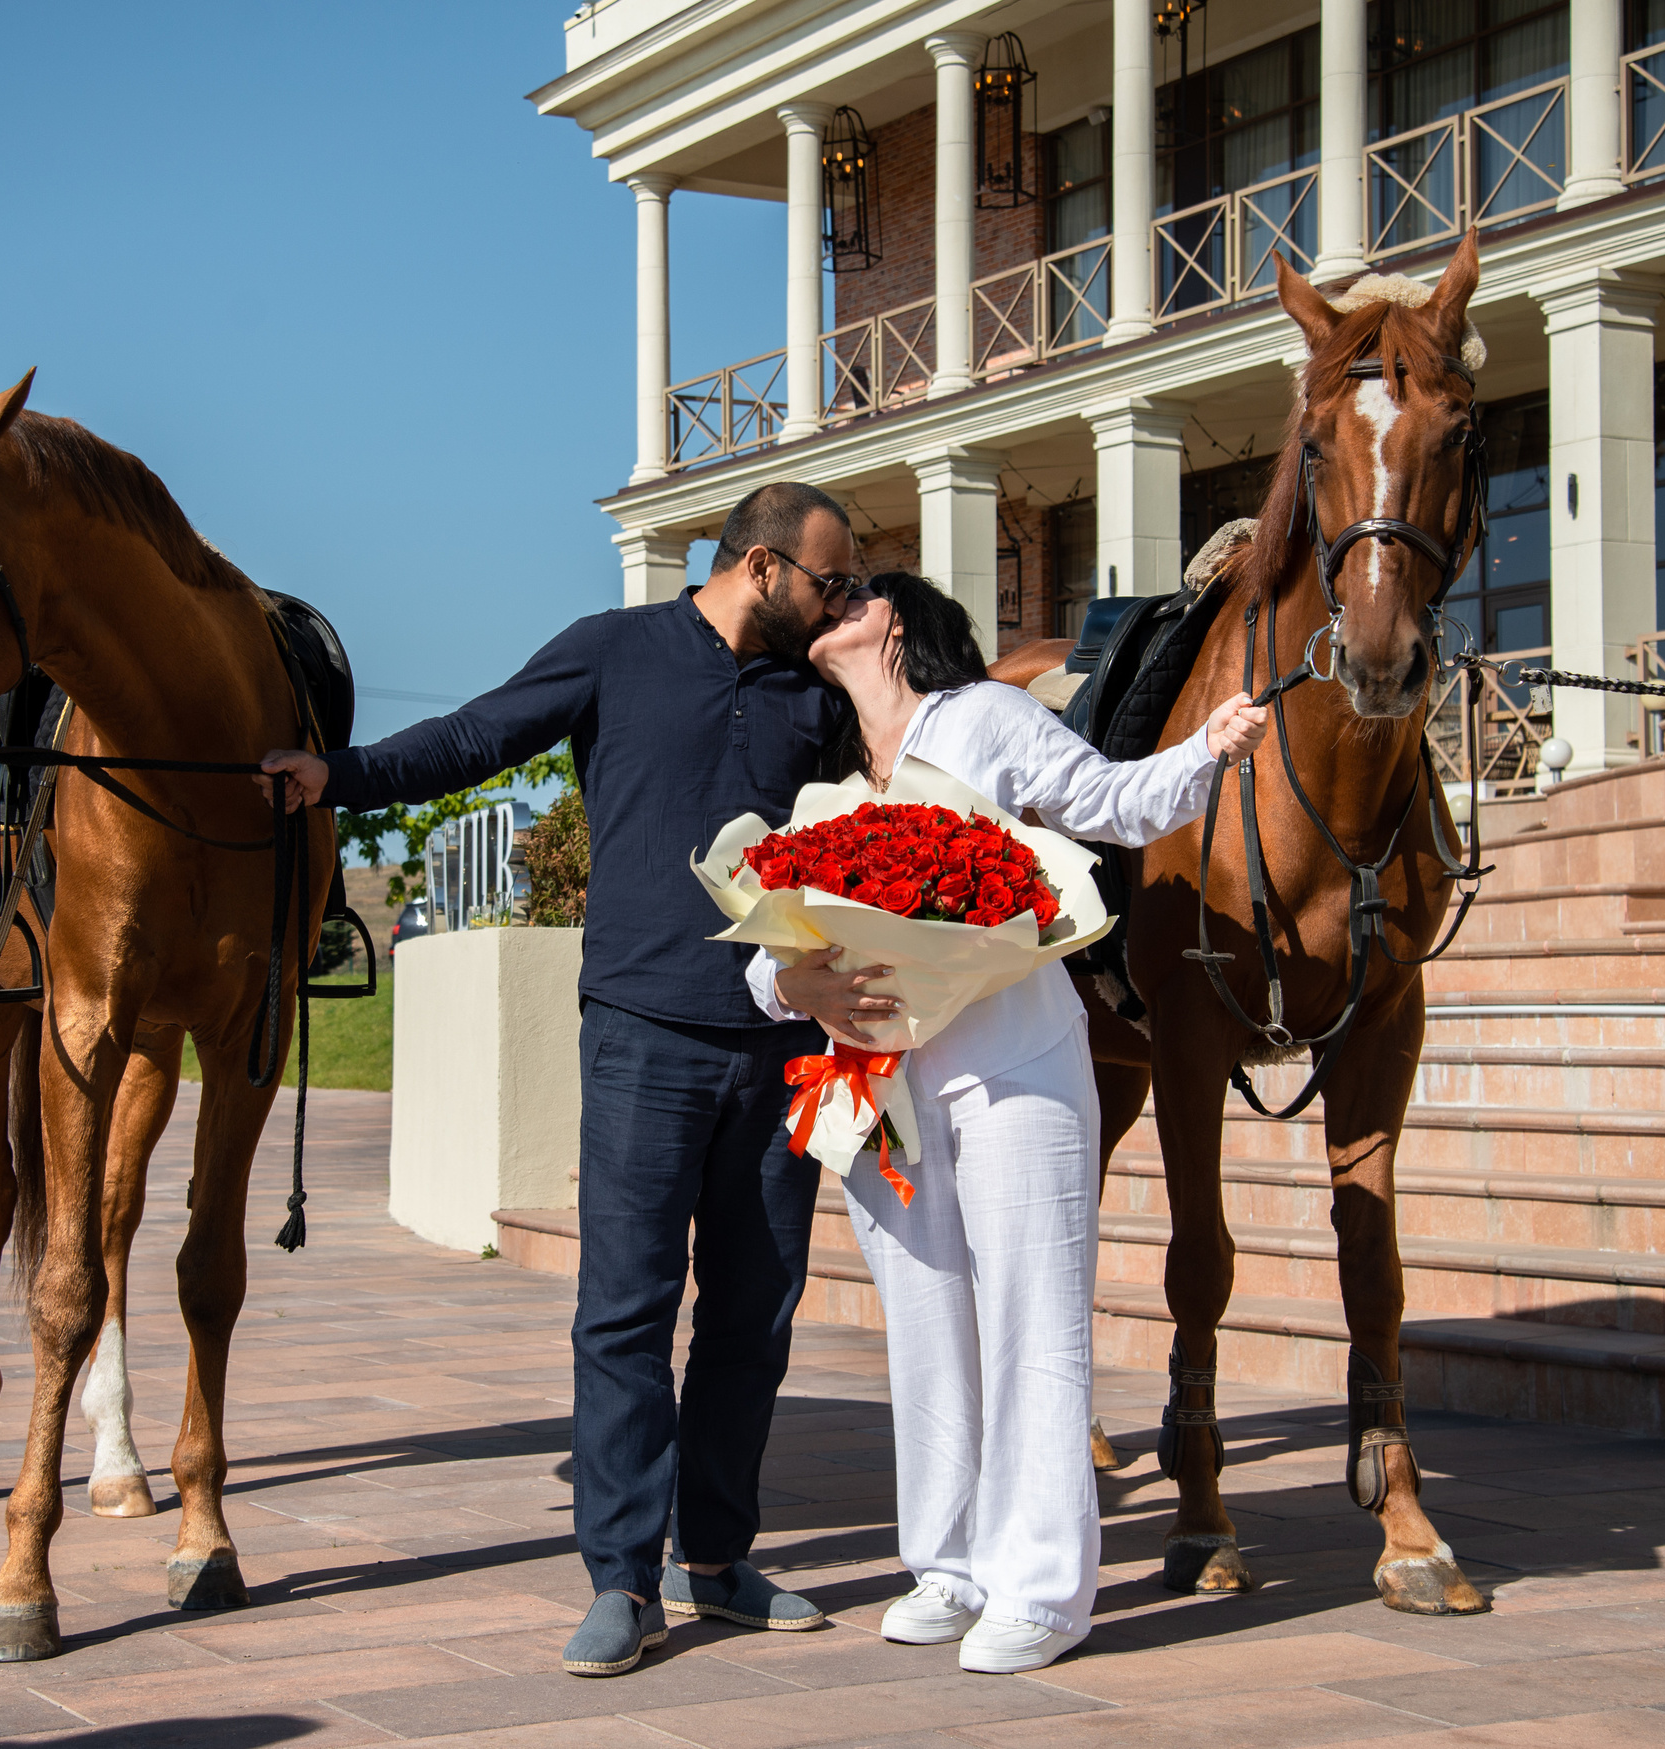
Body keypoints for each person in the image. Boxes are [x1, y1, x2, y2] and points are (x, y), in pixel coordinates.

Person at [257, 482, 872, 1678]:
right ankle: (622, 1579)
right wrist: (334, 776)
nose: (839, 599)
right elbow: (473, 738)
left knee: (754, 1316)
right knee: (627, 1312)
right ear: (761, 565)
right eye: (827, 580)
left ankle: (721, 1561)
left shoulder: (818, 693)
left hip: (788, 1045)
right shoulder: (617, 651)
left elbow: (897, 793)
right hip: (644, 1036)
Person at [745, 573, 1266, 1675]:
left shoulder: (985, 716)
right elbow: (765, 955)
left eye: (853, 595)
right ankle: (950, 1566)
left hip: (1015, 1069)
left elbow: (1113, 803)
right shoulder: (830, 781)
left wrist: (1212, 746)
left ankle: (1039, 1590)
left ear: (897, 624)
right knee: (926, 1330)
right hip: (881, 1086)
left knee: (1031, 1328)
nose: (830, 609)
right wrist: (802, 989)